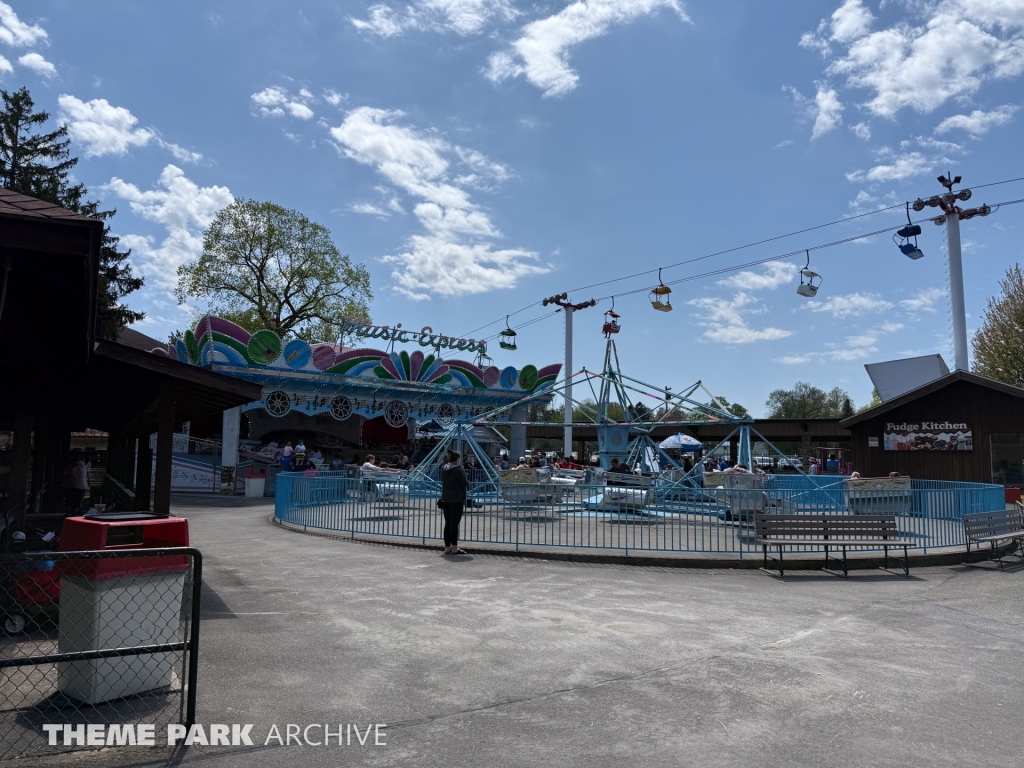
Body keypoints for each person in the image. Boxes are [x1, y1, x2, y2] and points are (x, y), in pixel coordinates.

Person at [440, 451, 469, 555]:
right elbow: (465, 483)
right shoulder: (457, 470)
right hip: (456, 499)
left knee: (447, 523)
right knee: (454, 524)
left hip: (445, 498)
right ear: (457, 459)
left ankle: (447, 547)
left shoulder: (444, 468)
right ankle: (455, 548)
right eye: (460, 458)